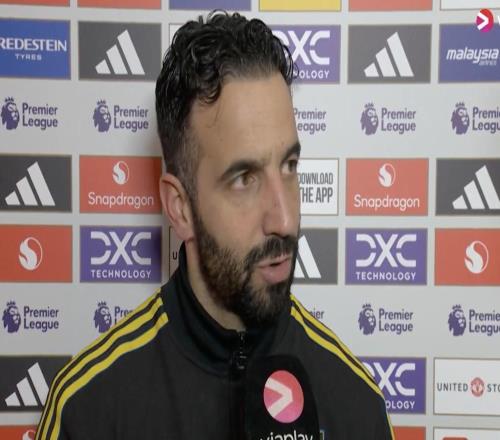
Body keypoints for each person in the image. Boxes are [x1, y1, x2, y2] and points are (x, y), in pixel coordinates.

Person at [36, 11, 393, 440]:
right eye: (244, 178)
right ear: (180, 208)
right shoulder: (88, 409)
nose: (284, 220)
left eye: (289, 166)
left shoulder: (355, 402)